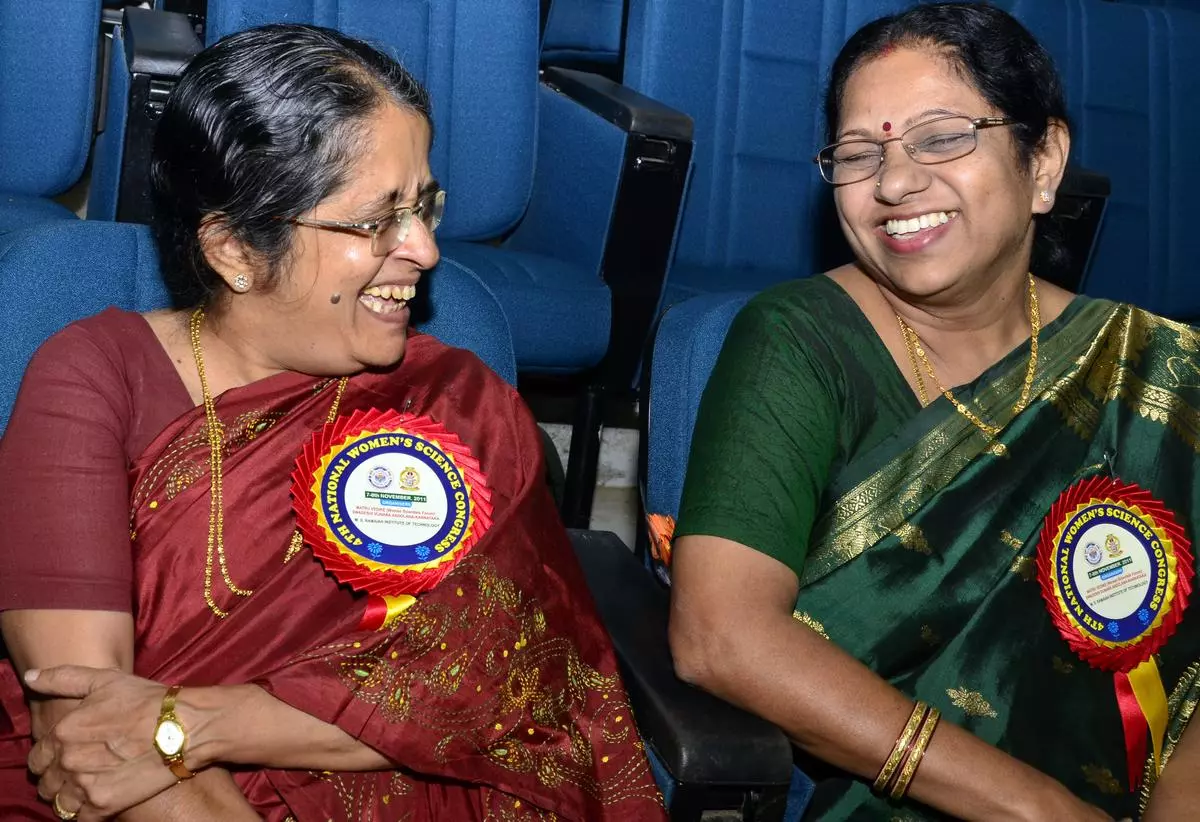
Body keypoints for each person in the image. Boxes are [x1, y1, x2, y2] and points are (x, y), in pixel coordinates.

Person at [0, 24, 665, 822]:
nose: (422, 248)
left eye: (424, 207)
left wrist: (193, 723)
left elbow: (508, 686)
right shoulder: (93, 376)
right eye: (374, 220)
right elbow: (89, 726)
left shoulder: (459, 402)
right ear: (237, 250)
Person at [665, 4, 1200, 821]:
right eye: (857, 154)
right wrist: (1041, 811)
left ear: (1044, 159)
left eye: (942, 137)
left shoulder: (1156, 372)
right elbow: (721, 635)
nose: (893, 183)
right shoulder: (800, 342)